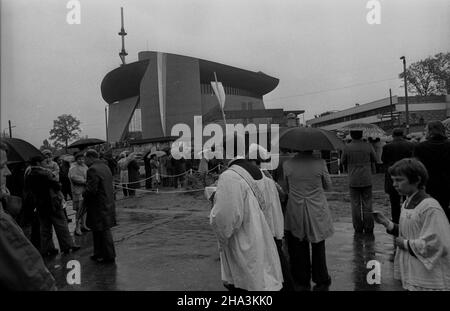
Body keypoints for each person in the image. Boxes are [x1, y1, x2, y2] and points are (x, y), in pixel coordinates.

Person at [210, 136, 283, 291]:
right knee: (262, 281)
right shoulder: (259, 172)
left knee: (247, 283)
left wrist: (214, 205)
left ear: (225, 151)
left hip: (244, 243)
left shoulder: (230, 176)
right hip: (262, 236)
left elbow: (225, 219)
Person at [373, 158, 450, 290]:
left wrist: (405, 244)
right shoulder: (407, 203)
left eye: (399, 180)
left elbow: (437, 243)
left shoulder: (430, 208)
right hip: (413, 272)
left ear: (417, 179)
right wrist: (387, 223)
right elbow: (410, 231)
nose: (394, 185)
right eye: (393, 180)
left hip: (428, 279)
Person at [0, 142, 57, 290]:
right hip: (37, 205)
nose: (7, 172)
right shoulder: (2, 223)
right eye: (1, 166)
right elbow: (36, 279)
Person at [283, 150, 334, 291]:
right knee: (318, 245)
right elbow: (328, 186)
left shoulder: (287, 164)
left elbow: (286, 188)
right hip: (316, 209)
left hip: (296, 208)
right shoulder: (320, 163)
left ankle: (301, 278)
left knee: (298, 246)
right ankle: (321, 277)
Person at [248, 143, 293, 291]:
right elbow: (281, 194)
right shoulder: (266, 175)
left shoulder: (252, 176)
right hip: (272, 222)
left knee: (271, 256)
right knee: (276, 255)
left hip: (261, 224)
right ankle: (285, 284)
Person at [24, 156, 80, 256]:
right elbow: (57, 185)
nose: (47, 163)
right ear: (38, 163)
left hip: (40, 204)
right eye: (44, 161)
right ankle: (67, 245)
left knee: (45, 228)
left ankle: (48, 249)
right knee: (61, 224)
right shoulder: (45, 173)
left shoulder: (28, 174)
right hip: (52, 201)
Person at [83, 149, 117, 263]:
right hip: (107, 202)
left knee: (102, 230)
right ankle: (98, 253)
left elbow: (91, 190)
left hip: (98, 205)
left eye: (85, 158)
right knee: (97, 230)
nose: (84, 161)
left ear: (90, 157)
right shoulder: (105, 166)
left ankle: (108, 255)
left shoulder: (92, 169)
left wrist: (84, 192)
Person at [341, 130, 377, 234]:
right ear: (361, 135)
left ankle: (358, 227)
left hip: (353, 178)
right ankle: (369, 226)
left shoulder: (347, 147)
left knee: (355, 204)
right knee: (368, 203)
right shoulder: (368, 146)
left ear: (351, 135)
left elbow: (343, 161)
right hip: (366, 177)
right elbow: (375, 158)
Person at [413, 120, 450, 221]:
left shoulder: (420, 147)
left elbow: (416, 168)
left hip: (427, 185)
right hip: (446, 184)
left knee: (428, 212)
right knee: (444, 209)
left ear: (429, 131)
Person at [381, 128, 414, 224]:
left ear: (393, 135)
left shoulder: (387, 146)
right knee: (407, 198)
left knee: (394, 200)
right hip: (407, 173)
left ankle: (396, 220)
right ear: (403, 134)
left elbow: (383, 160)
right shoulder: (410, 145)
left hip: (393, 175)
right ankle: (407, 219)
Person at [68, 153, 89, 236]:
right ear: (76, 159)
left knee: (85, 209)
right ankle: (77, 227)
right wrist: (85, 181)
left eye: (82, 159)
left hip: (84, 190)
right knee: (79, 210)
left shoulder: (85, 166)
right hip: (77, 191)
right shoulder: (73, 167)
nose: (81, 160)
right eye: (79, 159)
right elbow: (74, 177)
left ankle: (83, 225)